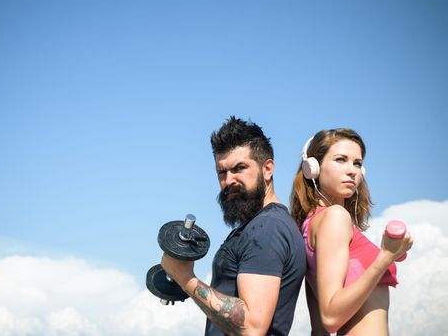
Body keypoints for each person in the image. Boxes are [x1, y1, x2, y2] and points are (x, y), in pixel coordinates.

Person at [161, 116, 306, 336]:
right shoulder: (256, 226)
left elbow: (252, 326)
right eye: (222, 172)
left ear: (267, 169)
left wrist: (185, 278)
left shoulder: (268, 229)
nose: (229, 181)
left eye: (239, 168)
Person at [290, 128, 414, 336]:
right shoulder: (335, 217)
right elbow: (330, 317)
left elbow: (318, 330)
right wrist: (385, 257)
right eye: (341, 160)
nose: (352, 170)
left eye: (357, 163)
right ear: (313, 168)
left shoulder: (311, 224)